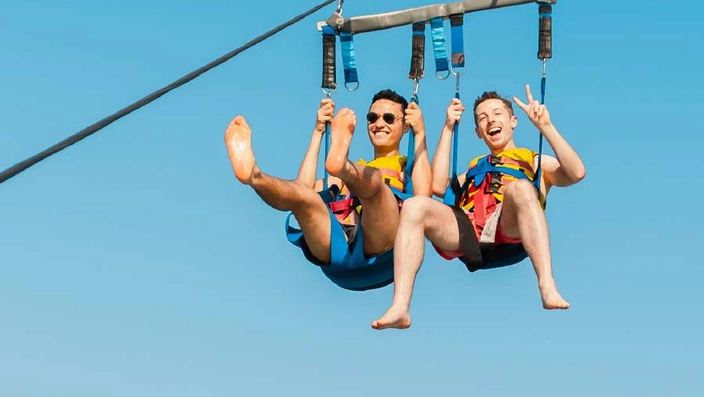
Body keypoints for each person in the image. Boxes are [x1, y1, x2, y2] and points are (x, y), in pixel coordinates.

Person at [370, 85, 585, 330]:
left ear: (513, 121)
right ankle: (400, 306)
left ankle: (547, 285)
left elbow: (576, 172)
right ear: (478, 132)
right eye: (482, 118)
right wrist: (448, 127)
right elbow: (438, 186)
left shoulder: (534, 161)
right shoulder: (473, 169)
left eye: (497, 113)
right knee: (414, 205)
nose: (490, 120)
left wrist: (545, 126)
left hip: (507, 227)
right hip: (469, 233)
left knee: (521, 188)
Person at [224, 90, 430, 291]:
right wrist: (318, 132)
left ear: (405, 126)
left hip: (381, 247)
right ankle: (254, 176)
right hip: (336, 247)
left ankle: (343, 167)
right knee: (304, 197)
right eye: (372, 117)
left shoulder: (405, 167)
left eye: (389, 118)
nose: (379, 123)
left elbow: (423, 197)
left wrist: (420, 132)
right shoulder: (355, 168)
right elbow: (303, 187)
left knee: (374, 183)